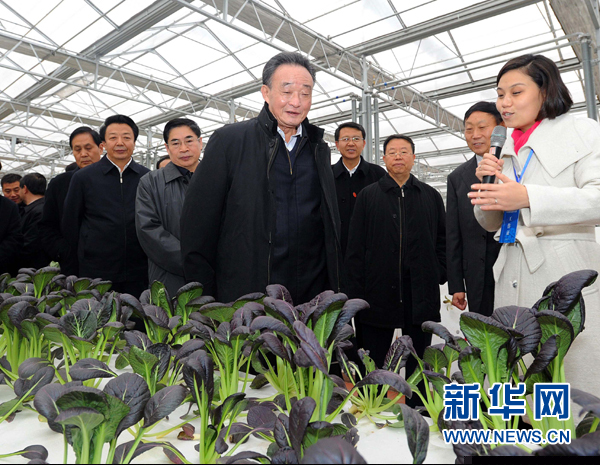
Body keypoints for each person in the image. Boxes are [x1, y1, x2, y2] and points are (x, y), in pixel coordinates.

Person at [469, 53, 600, 397]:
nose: (505, 103)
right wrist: (487, 191)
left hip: (562, 270)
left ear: (545, 90)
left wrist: (527, 196)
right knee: (518, 383)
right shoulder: (503, 147)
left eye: (516, 92)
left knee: (569, 383)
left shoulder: (582, 131)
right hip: (511, 270)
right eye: (500, 94)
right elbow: (490, 222)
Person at [181, 52, 341, 304]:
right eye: (286, 92)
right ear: (266, 93)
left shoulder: (318, 148)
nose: (296, 102)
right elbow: (198, 229)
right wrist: (208, 304)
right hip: (249, 296)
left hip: (309, 297)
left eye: (305, 93)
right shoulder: (230, 141)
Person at [345, 134, 446, 379]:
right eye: (392, 152)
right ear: (384, 158)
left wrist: (438, 273)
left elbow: (443, 240)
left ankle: (417, 400)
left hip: (420, 292)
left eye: (403, 152)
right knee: (373, 361)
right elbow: (355, 245)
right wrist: (355, 290)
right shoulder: (368, 196)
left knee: (418, 361)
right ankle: (373, 398)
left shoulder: (430, 196)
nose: (398, 156)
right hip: (376, 291)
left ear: (413, 157)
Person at [62, 115, 150, 296]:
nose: (120, 143)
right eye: (113, 137)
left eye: (126, 137)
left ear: (134, 142)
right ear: (104, 144)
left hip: (139, 271)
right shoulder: (83, 177)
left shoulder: (148, 177)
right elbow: (71, 224)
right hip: (96, 271)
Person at [446, 102, 503, 316]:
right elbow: (453, 234)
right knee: (483, 329)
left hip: (513, 266)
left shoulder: (517, 164)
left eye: (482, 127)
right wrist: (456, 285)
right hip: (477, 276)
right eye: (469, 129)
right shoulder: (457, 178)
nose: (475, 135)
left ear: (500, 129)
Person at [136, 118, 202, 296]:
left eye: (189, 141)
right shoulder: (150, 182)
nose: (183, 149)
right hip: (169, 278)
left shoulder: (218, 177)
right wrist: (193, 262)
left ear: (200, 142)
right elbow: (148, 230)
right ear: (167, 148)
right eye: (175, 143)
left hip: (216, 274)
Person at [39, 127, 103, 277]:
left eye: (88, 148)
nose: (83, 154)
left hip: (112, 265)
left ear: (101, 148)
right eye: (77, 149)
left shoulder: (116, 180)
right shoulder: (60, 184)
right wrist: (63, 252)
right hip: (74, 267)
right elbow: (47, 225)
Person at [332, 122, 386, 256]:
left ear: (364, 143)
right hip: (334, 250)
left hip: (370, 251)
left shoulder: (378, 174)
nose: (351, 143)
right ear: (337, 145)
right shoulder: (327, 174)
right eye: (345, 139)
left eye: (356, 139)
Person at [18, 173, 50, 270]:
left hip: (33, 267)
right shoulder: (46, 206)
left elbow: (30, 244)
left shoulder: (36, 211)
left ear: (25, 189)